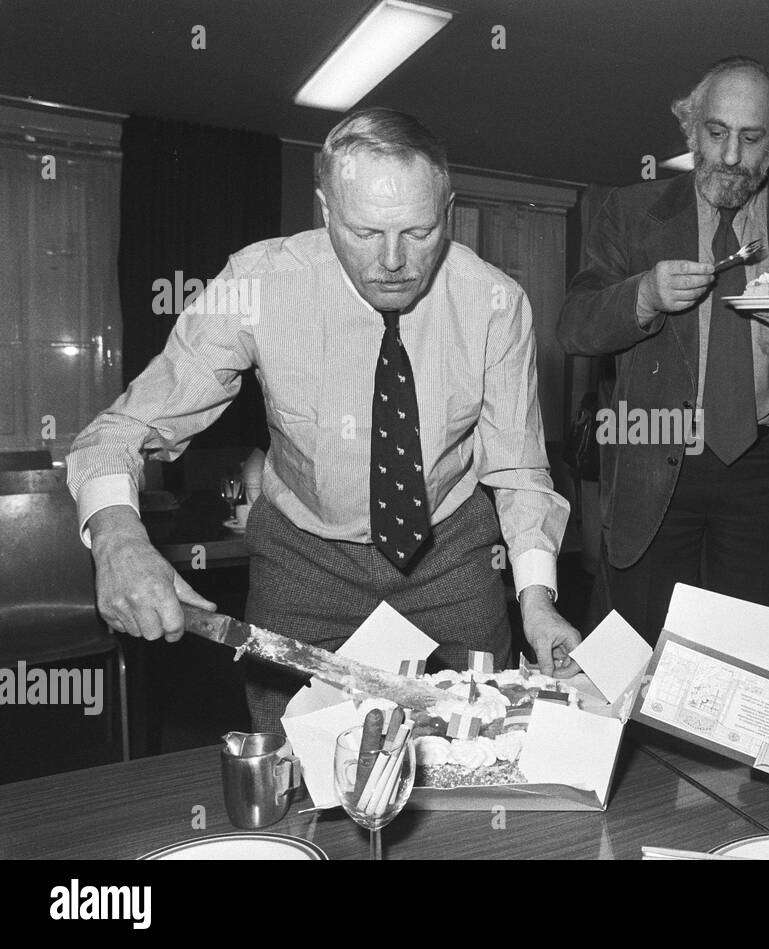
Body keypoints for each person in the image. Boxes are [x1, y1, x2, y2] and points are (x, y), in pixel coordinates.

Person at [68, 108, 581, 732]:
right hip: (303, 561)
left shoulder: (497, 302)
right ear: (325, 209)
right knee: (295, 752)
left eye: (419, 232)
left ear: (448, 210)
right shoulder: (258, 284)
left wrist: (537, 601)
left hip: (450, 554)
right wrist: (118, 540)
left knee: (484, 741)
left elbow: (519, 467)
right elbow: (121, 430)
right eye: (366, 233)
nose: (394, 260)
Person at [557, 56, 769, 643]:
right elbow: (574, 327)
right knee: (638, 649)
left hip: (762, 467)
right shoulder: (629, 212)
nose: (731, 157)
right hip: (653, 445)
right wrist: (641, 295)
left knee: (740, 655)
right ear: (689, 128)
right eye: (716, 133)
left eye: (751, 138)